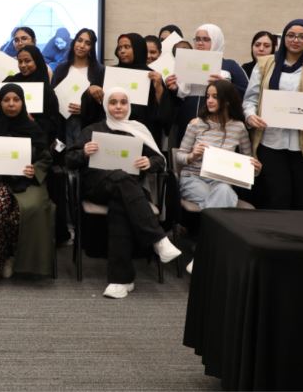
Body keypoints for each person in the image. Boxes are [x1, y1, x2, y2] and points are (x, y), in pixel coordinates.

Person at [65, 87, 182, 299]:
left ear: (129, 106)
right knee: (121, 178)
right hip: (96, 187)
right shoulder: (92, 130)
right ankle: (158, 239)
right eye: (113, 102)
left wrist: (149, 162)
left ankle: (121, 280)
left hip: (127, 191)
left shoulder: (138, 129)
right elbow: (69, 160)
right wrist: (84, 153)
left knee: (120, 203)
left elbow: (160, 160)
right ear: (105, 105)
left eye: (123, 102)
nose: (118, 107)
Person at [243, 19, 303, 210]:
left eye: (302, 36)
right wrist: (250, 115)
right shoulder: (265, 64)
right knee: (276, 197)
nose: (296, 40)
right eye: (291, 35)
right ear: (284, 38)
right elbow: (250, 99)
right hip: (271, 142)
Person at [0, 84, 54, 290]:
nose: (11, 104)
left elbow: (46, 158)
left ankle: (16, 257)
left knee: (26, 210)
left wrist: (34, 169)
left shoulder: (33, 128)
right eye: (6, 100)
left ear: (23, 102)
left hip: (27, 182)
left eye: (16, 100)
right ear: (0, 103)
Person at [176, 80, 260, 209]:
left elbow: (247, 162)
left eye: (215, 97)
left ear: (227, 101)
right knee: (223, 196)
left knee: (224, 191)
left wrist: (255, 169)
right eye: (207, 96)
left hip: (221, 181)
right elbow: (179, 156)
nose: (209, 101)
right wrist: (192, 156)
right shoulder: (196, 123)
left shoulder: (239, 127)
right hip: (193, 178)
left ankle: (207, 221)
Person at [166, 24, 248, 148]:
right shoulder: (187, 63)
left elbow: (246, 92)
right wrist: (174, 89)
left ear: (216, 41)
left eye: (206, 39)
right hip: (188, 121)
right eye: (197, 39)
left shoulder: (230, 65)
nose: (200, 43)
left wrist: (225, 86)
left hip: (220, 126)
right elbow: (178, 98)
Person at [80, 33, 171, 145]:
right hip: (110, 134)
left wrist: (159, 88)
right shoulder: (107, 73)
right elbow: (91, 106)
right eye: (119, 48)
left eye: (127, 47)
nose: (122, 51)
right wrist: (91, 91)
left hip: (141, 138)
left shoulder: (152, 76)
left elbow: (164, 114)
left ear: (138, 49)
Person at [0, 44, 64, 147]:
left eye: (27, 61)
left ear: (37, 61)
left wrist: (33, 120)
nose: (22, 65)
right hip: (4, 137)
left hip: (33, 141)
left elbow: (53, 123)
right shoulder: (10, 81)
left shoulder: (46, 90)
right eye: (20, 61)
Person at [50, 28, 106, 146]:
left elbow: (103, 105)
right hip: (62, 124)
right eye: (79, 40)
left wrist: (85, 109)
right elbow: (51, 97)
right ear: (74, 42)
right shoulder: (61, 68)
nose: (82, 45)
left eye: (87, 43)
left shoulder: (99, 71)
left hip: (86, 126)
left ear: (92, 47)